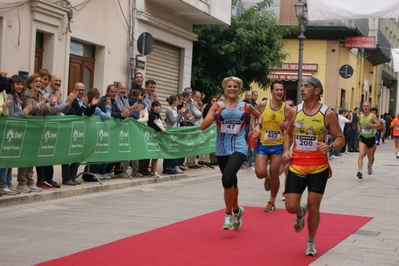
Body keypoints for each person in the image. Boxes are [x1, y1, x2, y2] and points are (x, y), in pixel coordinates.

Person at [281, 77, 344, 256]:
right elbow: (288, 134)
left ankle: (311, 241)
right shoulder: (294, 111)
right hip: (297, 164)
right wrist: (287, 150)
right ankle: (300, 214)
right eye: (301, 86)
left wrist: (330, 146)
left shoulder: (328, 114)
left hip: (318, 166)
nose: (302, 89)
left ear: (316, 91)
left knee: (313, 205)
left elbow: (340, 138)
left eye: (306, 86)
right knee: (291, 206)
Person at [200, 76, 260, 230]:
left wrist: (257, 126)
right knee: (231, 181)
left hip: (239, 148)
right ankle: (237, 210)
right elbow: (203, 126)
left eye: (235, 87)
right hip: (221, 149)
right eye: (229, 86)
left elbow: (260, 115)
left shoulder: (245, 106)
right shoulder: (217, 105)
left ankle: (228, 214)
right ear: (224, 88)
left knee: (227, 178)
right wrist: (216, 114)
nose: (232, 89)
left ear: (239, 89)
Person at [18, 73, 59, 193]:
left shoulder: (41, 95)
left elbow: (46, 111)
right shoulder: (26, 95)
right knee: (25, 157)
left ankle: (30, 181)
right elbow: (31, 109)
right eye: (36, 81)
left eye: (40, 82)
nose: (39, 83)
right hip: (28, 130)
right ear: (30, 83)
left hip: (38, 131)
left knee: (32, 157)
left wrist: (51, 103)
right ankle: (22, 182)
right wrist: (42, 102)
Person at [253, 80, 288, 212]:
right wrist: (254, 129)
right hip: (263, 143)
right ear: (271, 91)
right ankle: (266, 177)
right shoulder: (263, 104)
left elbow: (292, 128)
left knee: (275, 174)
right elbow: (253, 117)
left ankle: (271, 201)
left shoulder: (286, 108)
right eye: (277, 90)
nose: (279, 92)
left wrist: (288, 125)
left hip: (278, 145)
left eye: (281, 90)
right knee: (261, 173)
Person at [5, 74, 33, 195]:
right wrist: (24, 112)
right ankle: (4, 183)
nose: (20, 86)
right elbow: (11, 116)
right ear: (12, 85)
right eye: (17, 84)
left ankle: (8, 182)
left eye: (22, 84)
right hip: (10, 133)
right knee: (7, 159)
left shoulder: (18, 97)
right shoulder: (10, 96)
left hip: (18, 132)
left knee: (11, 159)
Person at [356, 102, 382, 179]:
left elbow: (379, 125)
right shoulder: (360, 116)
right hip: (362, 137)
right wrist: (358, 127)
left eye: (367, 106)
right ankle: (360, 171)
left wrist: (370, 125)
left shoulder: (372, 116)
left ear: (369, 107)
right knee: (361, 154)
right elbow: (358, 123)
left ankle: (369, 165)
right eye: (364, 106)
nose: (365, 107)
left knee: (370, 156)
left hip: (371, 138)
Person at [163, 95, 186, 174]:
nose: (178, 102)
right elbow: (172, 121)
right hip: (171, 130)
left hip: (176, 129)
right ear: (174, 101)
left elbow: (178, 121)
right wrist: (180, 114)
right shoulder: (169, 110)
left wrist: (180, 114)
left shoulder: (175, 109)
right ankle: (166, 167)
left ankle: (172, 166)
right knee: (169, 149)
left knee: (174, 149)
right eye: (177, 101)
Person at [147, 100, 165, 178]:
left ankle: (154, 171)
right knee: (154, 153)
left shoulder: (158, 115)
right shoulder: (151, 115)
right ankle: (152, 171)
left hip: (157, 136)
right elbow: (152, 126)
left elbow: (160, 124)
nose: (158, 108)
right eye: (156, 106)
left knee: (156, 154)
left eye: (159, 106)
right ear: (152, 107)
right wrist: (160, 130)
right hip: (152, 136)